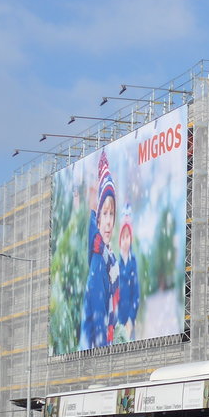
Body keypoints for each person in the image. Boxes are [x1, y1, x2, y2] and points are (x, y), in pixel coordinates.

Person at [80, 149, 120, 350]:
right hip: (94, 348)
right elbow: (97, 316)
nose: (108, 221)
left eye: (111, 214)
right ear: (97, 219)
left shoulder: (110, 259)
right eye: (104, 213)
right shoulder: (99, 259)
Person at [116, 203, 141, 341]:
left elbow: (136, 295)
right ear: (119, 240)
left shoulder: (133, 262)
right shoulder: (116, 263)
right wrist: (118, 320)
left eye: (128, 237)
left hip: (130, 321)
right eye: (123, 237)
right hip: (119, 321)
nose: (125, 241)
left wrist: (131, 319)